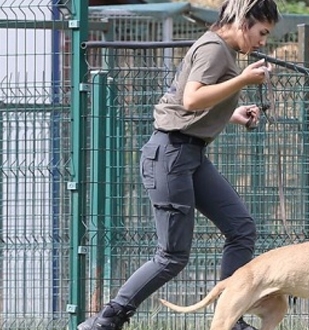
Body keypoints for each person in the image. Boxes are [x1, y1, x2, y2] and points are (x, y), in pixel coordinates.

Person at [77, 1, 279, 329]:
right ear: (244, 21)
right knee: (171, 256)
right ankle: (107, 320)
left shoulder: (222, 50)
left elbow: (186, 109)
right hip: (170, 156)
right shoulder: (215, 49)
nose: (262, 42)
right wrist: (242, 81)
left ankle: (231, 318)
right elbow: (191, 98)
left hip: (190, 155)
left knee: (241, 228)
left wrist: (231, 114)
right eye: (262, 32)